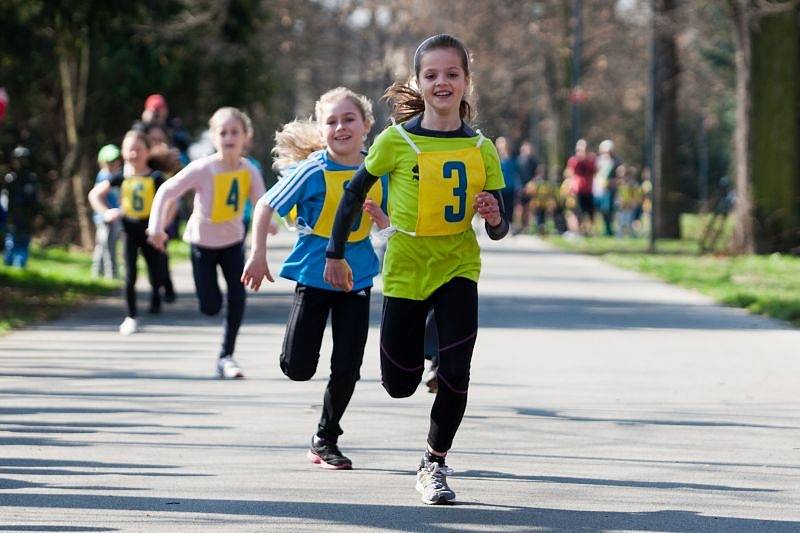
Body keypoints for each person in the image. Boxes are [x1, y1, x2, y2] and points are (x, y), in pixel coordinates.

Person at [323, 34, 509, 505]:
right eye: (432, 75)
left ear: (467, 82)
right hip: (406, 268)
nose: (442, 82)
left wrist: (494, 215)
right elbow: (352, 195)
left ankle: (435, 461)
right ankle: (417, 367)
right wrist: (335, 252)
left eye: (452, 74)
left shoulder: (483, 148)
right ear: (418, 82)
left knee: (457, 372)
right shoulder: (396, 140)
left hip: (458, 265)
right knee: (399, 384)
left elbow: (500, 226)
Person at [242, 87, 387, 470]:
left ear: (367, 125)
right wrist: (257, 253)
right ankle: (300, 362)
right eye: (332, 121)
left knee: (348, 365)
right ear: (321, 130)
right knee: (298, 367)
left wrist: (385, 222)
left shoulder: (377, 170)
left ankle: (326, 438)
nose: (341, 127)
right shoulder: (311, 171)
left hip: (356, 278)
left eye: (349, 119)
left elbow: (390, 218)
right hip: (313, 272)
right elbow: (265, 205)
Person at [147, 107, 266, 378]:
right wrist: (156, 227)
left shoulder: (249, 170)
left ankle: (226, 356)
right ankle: (220, 334)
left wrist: (269, 223)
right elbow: (167, 190)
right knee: (210, 306)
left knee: (238, 296)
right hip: (202, 244)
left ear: (246, 136)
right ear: (213, 137)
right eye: (223, 132)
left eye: (235, 132)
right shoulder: (203, 168)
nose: (229, 137)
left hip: (234, 243)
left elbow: (262, 203)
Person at [88, 131, 168, 335]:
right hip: (129, 231)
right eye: (129, 149)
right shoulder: (120, 177)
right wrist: (106, 212)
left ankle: (156, 297)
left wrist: (161, 225)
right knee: (130, 275)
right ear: (123, 153)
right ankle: (131, 316)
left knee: (156, 272)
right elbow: (95, 194)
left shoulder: (156, 177)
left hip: (151, 231)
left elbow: (172, 202)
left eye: (138, 149)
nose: (134, 153)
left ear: (147, 151)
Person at [2, 146, 38, 267]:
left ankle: (20, 264)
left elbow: (34, 200)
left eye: (24, 159)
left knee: (23, 240)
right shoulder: (10, 179)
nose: (21, 162)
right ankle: (8, 263)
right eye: (18, 159)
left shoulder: (31, 179)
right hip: (12, 216)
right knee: (11, 240)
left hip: (26, 216)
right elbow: (5, 200)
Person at [91, 144, 123, 279]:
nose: (113, 164)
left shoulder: (118, 175)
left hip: (115, 217)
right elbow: (98, 197)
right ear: (102, 162)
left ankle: (99, 273)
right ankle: (111, 274)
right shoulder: (104, 177)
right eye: (109, 161)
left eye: (115, 160)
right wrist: (106, 212)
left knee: (105, 246)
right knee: (106, 246)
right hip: (104, 217)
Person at [565, 138, 596, 236]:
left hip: (588, 190)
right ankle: (577, 231)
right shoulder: (573, 161)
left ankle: (588, 231)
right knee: (577, 212)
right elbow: (569, 173)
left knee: (590, 212)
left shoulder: (591, 160)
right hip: (577, 191)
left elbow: (594, 170)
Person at [593, 139, 621, 237]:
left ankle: (609, 229)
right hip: (599, 189)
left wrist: (613, 182)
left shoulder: (615, 161)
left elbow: (619, 176)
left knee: (609, 209)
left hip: (610, 190)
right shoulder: (598, 161)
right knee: (600, 210)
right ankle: (601, 229)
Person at [515, 140, 539, 233]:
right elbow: (516, 174)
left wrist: (532, 184)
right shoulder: (518, 160)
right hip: (520, 187)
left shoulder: (533, 160)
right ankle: (518, 226)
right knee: (519, 208)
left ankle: (527, 227)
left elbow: (537, 173)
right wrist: (520, 186)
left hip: (530, 188)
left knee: (529, 208)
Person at [495, 136, 518, 228]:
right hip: (499, 187)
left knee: (509, 207)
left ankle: (510, 225)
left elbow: (515, 170)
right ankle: (500, 225)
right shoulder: (495, 156)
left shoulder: (512, 157)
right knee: (500, 206)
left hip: (509, 187)